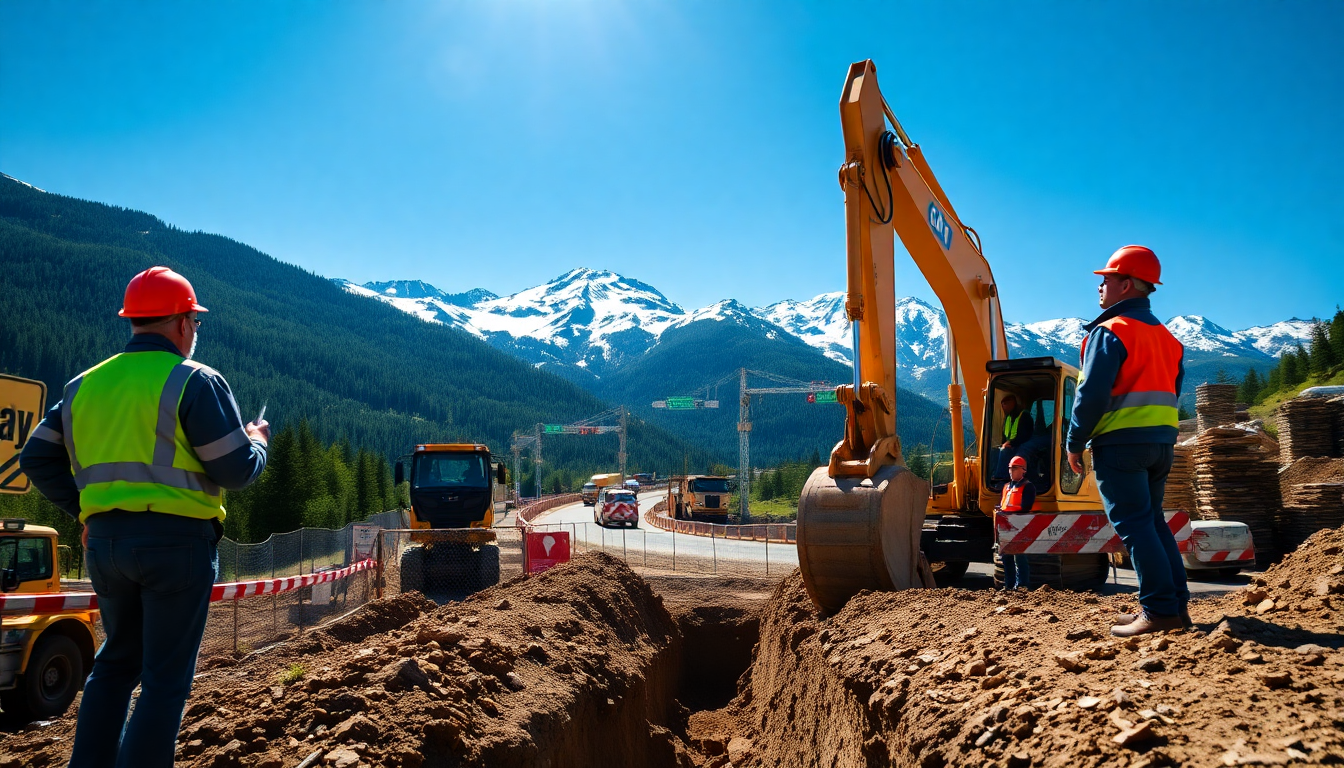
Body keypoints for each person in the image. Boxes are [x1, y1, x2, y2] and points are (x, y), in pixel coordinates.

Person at [19, 266, 269, 768]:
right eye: (194, 323)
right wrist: (257, 442)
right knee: (163, 681)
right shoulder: (194, 381)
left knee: (113, 666)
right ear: (180, 323)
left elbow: (36, 458)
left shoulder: (84, 384)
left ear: (134, 321)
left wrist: (86, 510)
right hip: (177, 547)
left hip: (106, 547)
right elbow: (235, 469)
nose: (194, 332)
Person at [1065, 245, 1187, 637]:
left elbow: (1091, 394)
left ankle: (1159, 611)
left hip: (1120, 446)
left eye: (1107, 279)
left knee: (1135, 526)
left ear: (1128, 284)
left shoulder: (1110, 332)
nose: (1100, 286)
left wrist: (1074, 441)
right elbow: (1173, 389)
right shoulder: (1169, 339)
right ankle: (1175, 607)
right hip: (1161, 444)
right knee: (1153, 523)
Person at [995, 455, 1035, 590]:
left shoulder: (1028, 487)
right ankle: (1009, 585)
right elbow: (1004, 504)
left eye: (1014, 468)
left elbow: (1026, 507)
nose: (1011, 471)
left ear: (1023, 470)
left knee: (1020, 558)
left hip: (1019, 526)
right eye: (1010, 469)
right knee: (1006, 557)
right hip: (1006, 525)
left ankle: (1022, 584)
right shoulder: (1006, 487)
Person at [994, 394, 1033, 480]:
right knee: (994, 452)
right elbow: (1005, 435)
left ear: (1012, 404)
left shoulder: (1024, 416)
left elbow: (1025, 436)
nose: (1003, 408)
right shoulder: (1008, 417)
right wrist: (1004, 443)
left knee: (1004, 451)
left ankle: (1001, 477)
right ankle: (992, 476)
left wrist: (1011, 443)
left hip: (1023, 445)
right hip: (1012, 445)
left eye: (1005, 405)